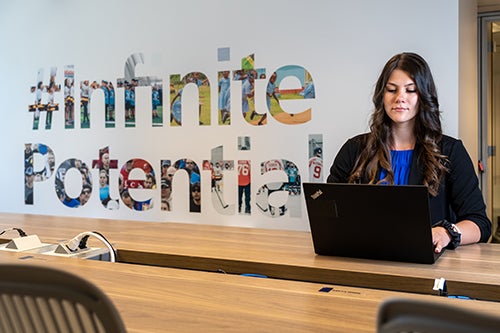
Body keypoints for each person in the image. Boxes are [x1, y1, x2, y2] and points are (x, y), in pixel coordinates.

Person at [327, 52, 491, 253]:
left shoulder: (451, 151)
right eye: (391, 90)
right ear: (381, 96)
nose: (400, 98)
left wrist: (446, 232)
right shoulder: (354, 149)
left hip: (428, 267)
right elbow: (329, 214)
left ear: (423, 96)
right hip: (365, 262)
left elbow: (480, 224)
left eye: (410, 90)